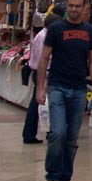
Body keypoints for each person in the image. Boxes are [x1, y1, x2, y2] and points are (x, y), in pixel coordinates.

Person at [36, 0, 92, 181]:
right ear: (67, 6)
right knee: (57, 133)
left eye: (77, 6)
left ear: (84, 8)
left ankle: (65, 178)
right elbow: (44, 59)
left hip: (79, 89)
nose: (73, 10)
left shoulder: (90, 31)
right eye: (71, 6)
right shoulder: (56, 29)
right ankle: (52, 177)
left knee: (72, 138)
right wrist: (40, 87)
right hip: (57, 87)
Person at [23, 13, 58, 145]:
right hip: (43, 73)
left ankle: (30, 133)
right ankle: (42, 132)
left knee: (37, 104)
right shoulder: (45, 37)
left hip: (38, 72)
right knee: (44, 103)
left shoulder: (40, 35)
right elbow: (45, 59)